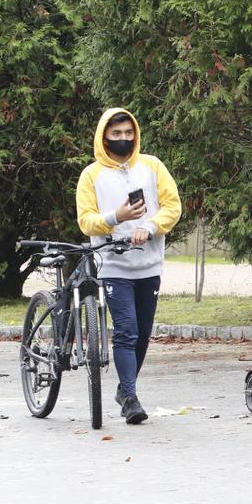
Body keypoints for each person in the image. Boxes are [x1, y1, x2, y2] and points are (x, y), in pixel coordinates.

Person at [77, 108, 182, 424]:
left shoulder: (152, 166)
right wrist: (116, 218)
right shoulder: (92, 175)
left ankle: (125, 388)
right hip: (113, 264)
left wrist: (150, 226)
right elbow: (86, 221)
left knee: (143, 333)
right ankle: (131, 400)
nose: (123, 139)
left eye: (128, 134)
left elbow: (172, 206)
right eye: (116, 134)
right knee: (126, 330)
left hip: (149, 265)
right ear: (104, 137)